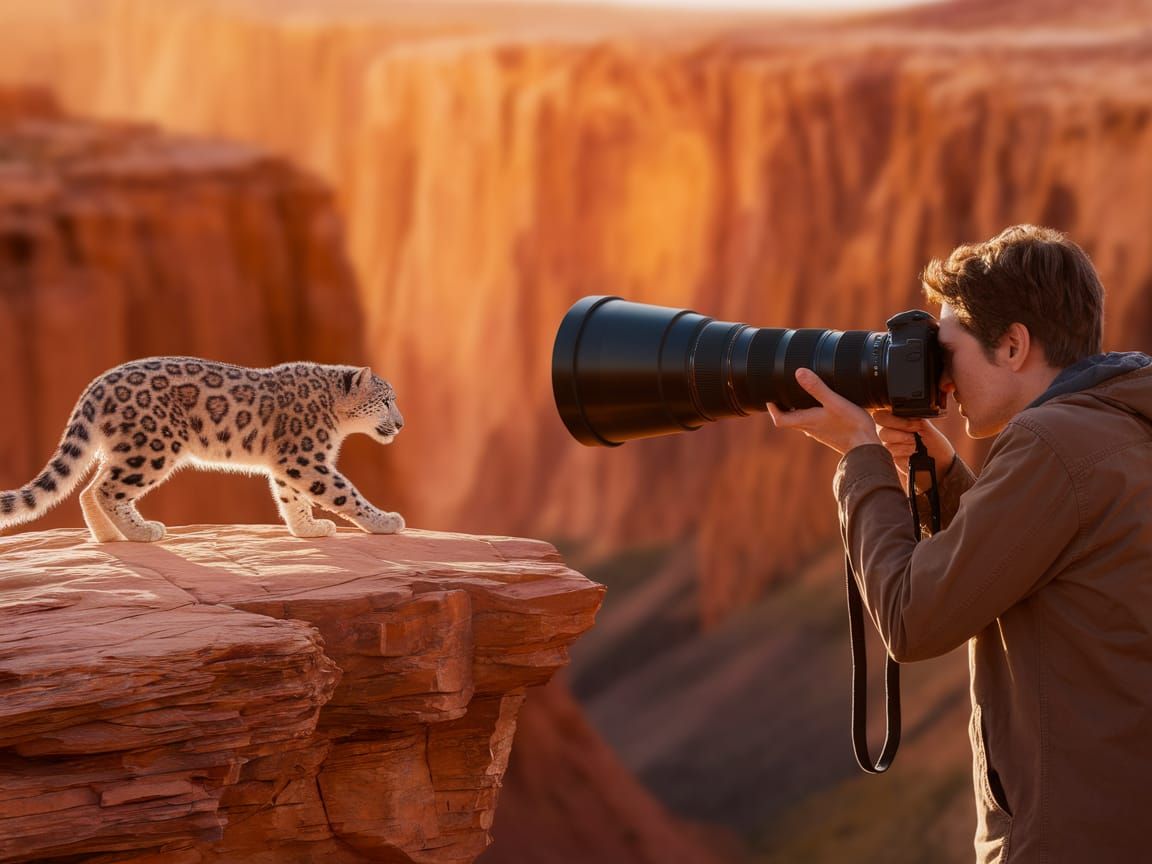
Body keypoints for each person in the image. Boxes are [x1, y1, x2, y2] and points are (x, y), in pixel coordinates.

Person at [768, 224, 1152, 864]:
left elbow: (911, 619)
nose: (940, 383)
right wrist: (945, 476)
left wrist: (861, 457)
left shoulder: (1053, 444)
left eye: (947, 353)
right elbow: (1033, 557)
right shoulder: (1118, 424)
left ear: (1012, 346)